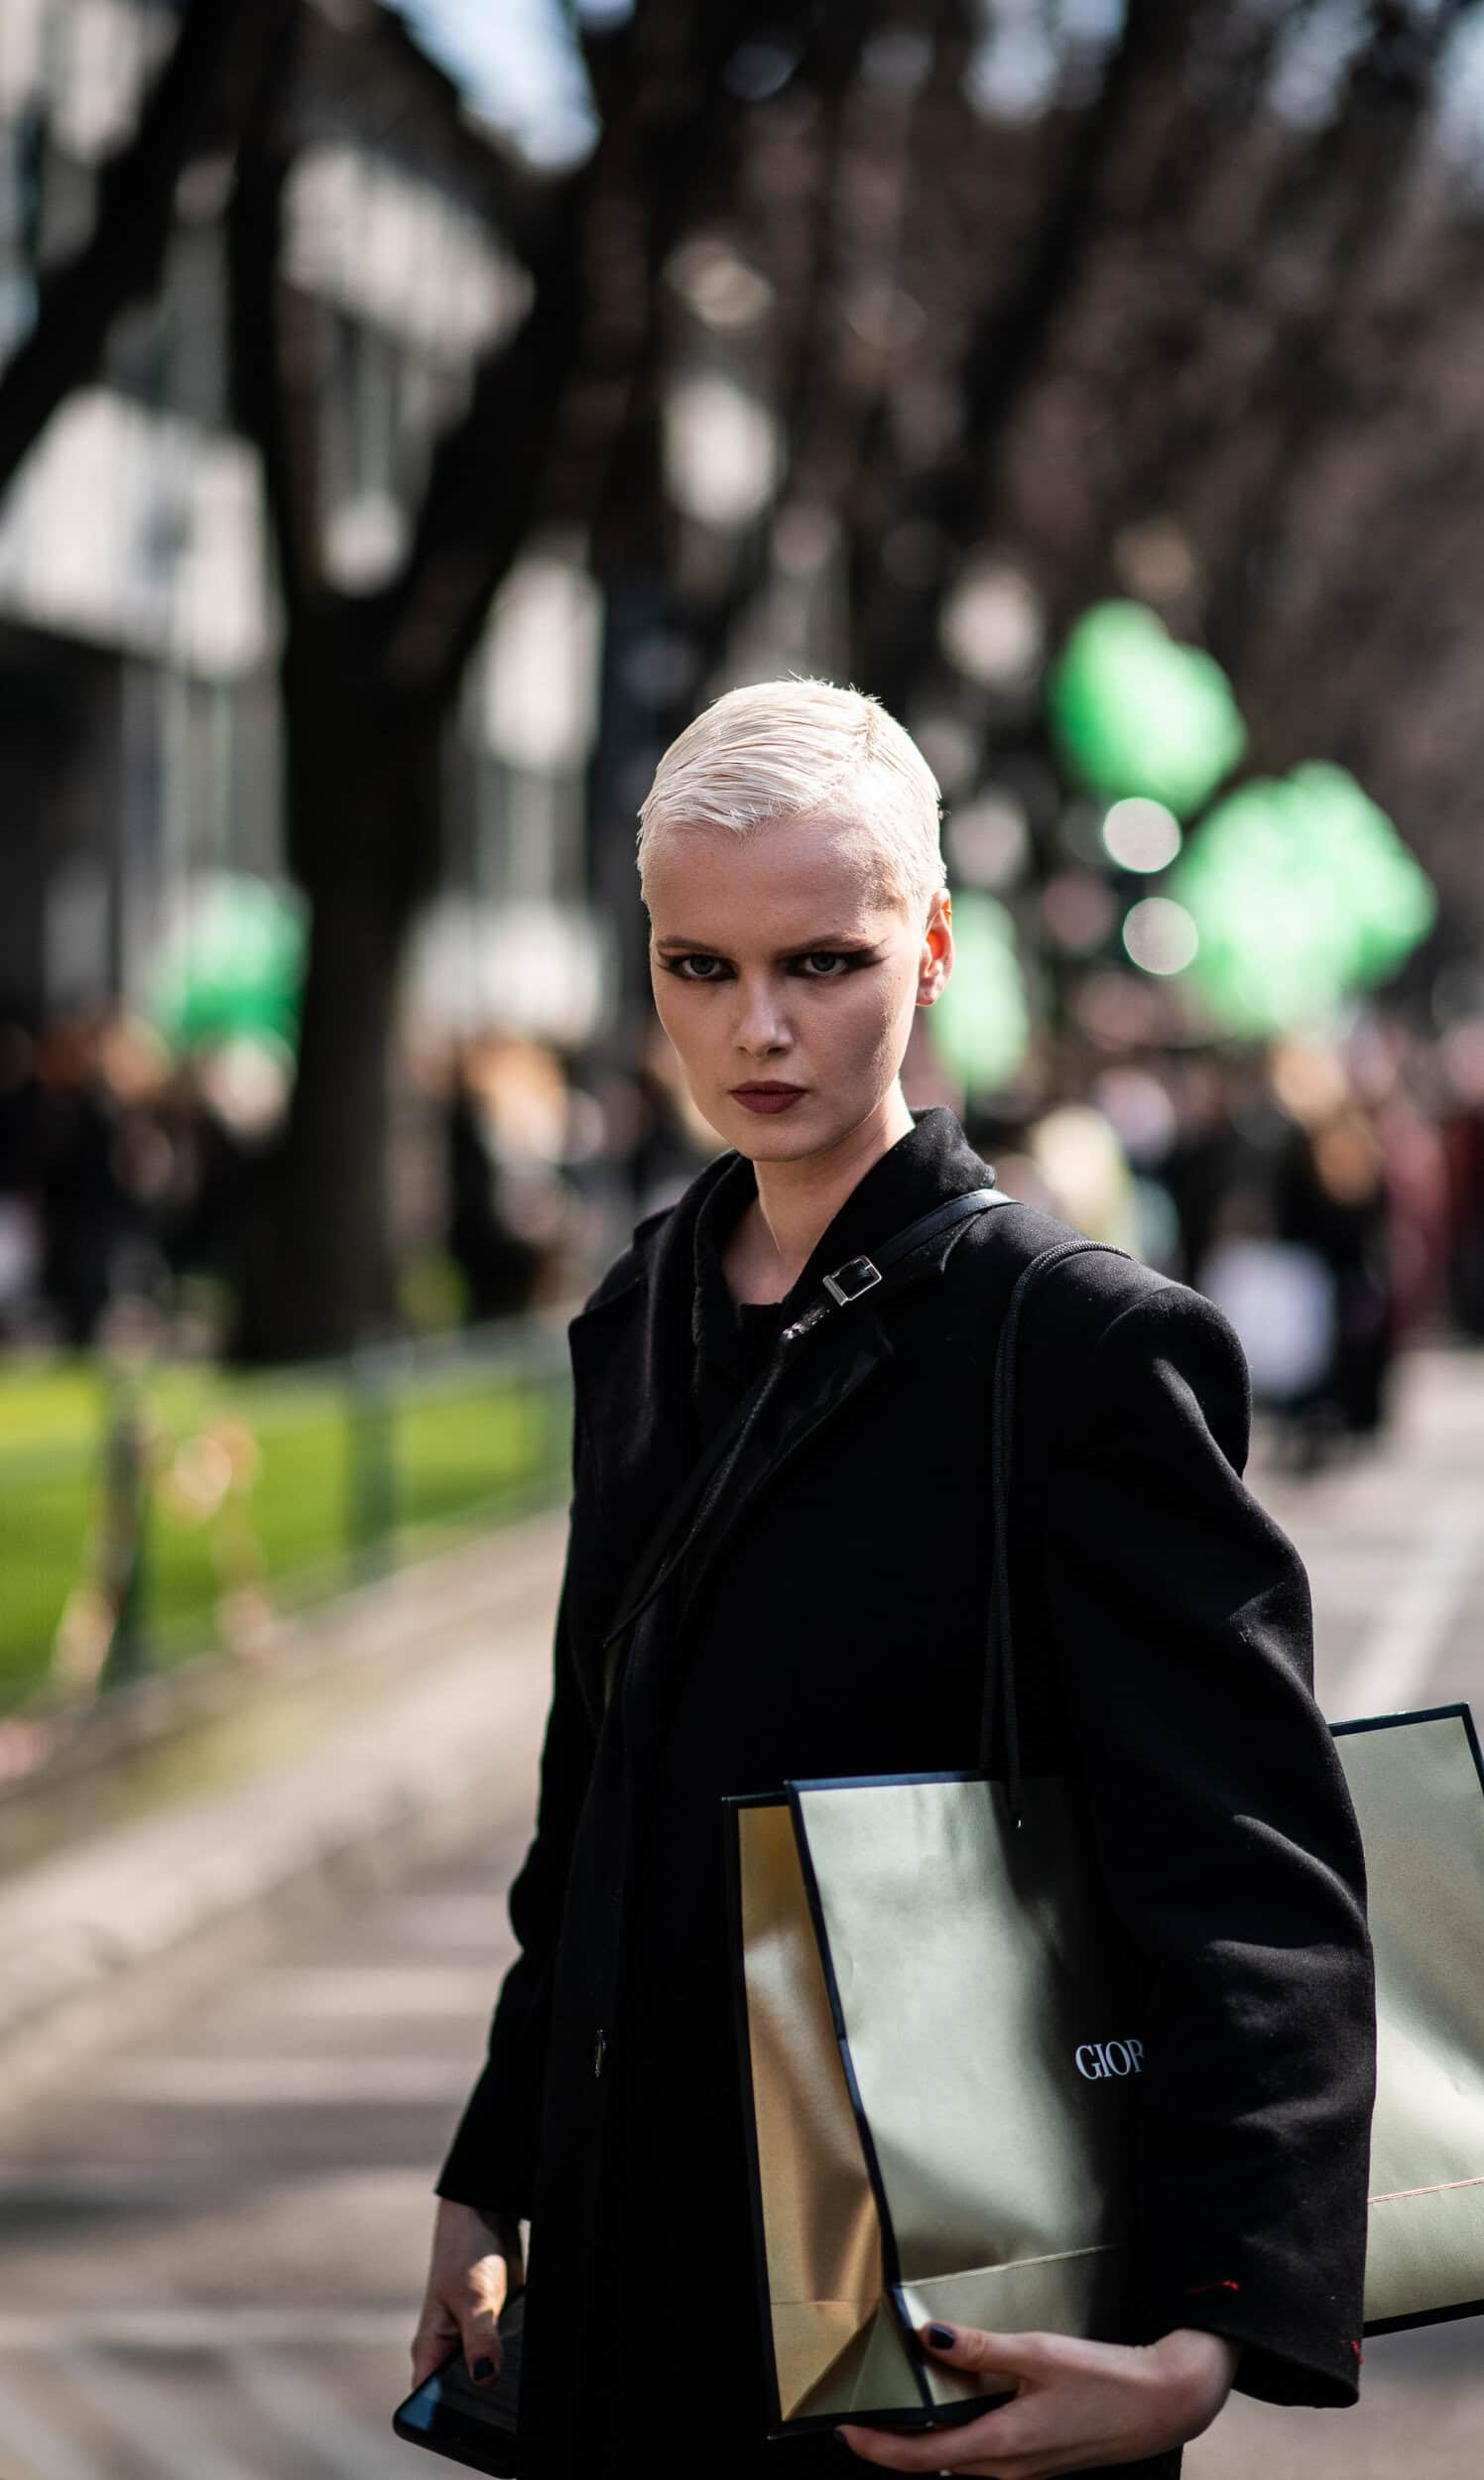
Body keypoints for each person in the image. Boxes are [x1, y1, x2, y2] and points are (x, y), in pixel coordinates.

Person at [412, 680, 1377, 2478]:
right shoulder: (638, 1315)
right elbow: (589, 1802)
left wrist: (1210, 2334)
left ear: (930, 951)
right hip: (640, 2276)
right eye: (698, 969)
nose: (757, 1028)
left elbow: (1258, 1875)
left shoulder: (1081, 1347)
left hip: (951, 2301)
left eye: (823, 963)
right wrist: (494, 2169)